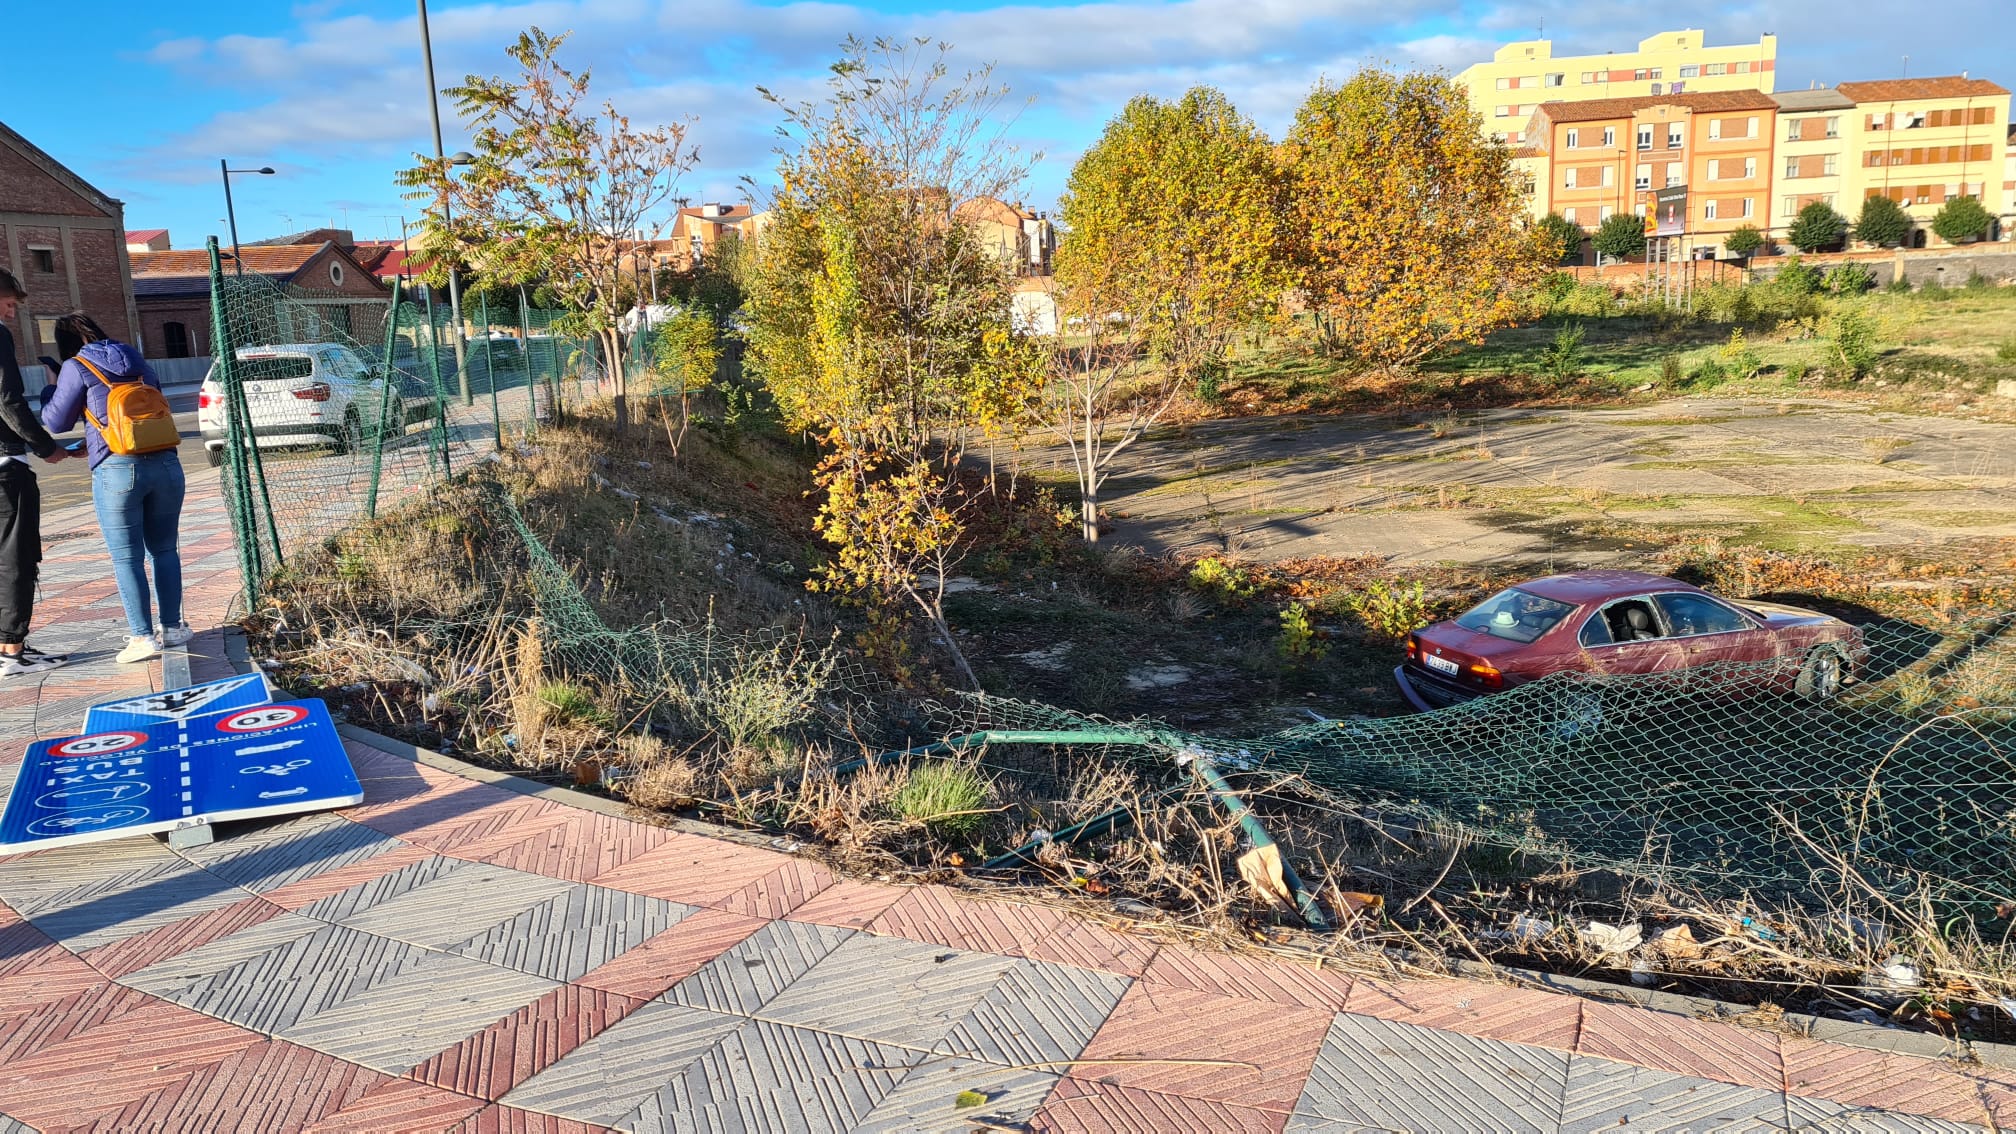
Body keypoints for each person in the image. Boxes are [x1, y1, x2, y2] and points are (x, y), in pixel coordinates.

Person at [41, 312, 186, 664]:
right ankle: (173, 628)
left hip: (118, 467)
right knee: (164, 549)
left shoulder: (76, 366)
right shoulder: (135, 357)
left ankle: (141, 638)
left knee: (127, 556)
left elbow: (56, 421)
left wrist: (51, 387)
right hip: (166, 462)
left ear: (66, 345)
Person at [0, 270, 71, 676]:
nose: (11, 314)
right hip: (6, 467)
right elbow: (8, 400)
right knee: (16, 556)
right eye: (9, 304)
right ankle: (12, 651)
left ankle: (7, 645)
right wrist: (46, 447)